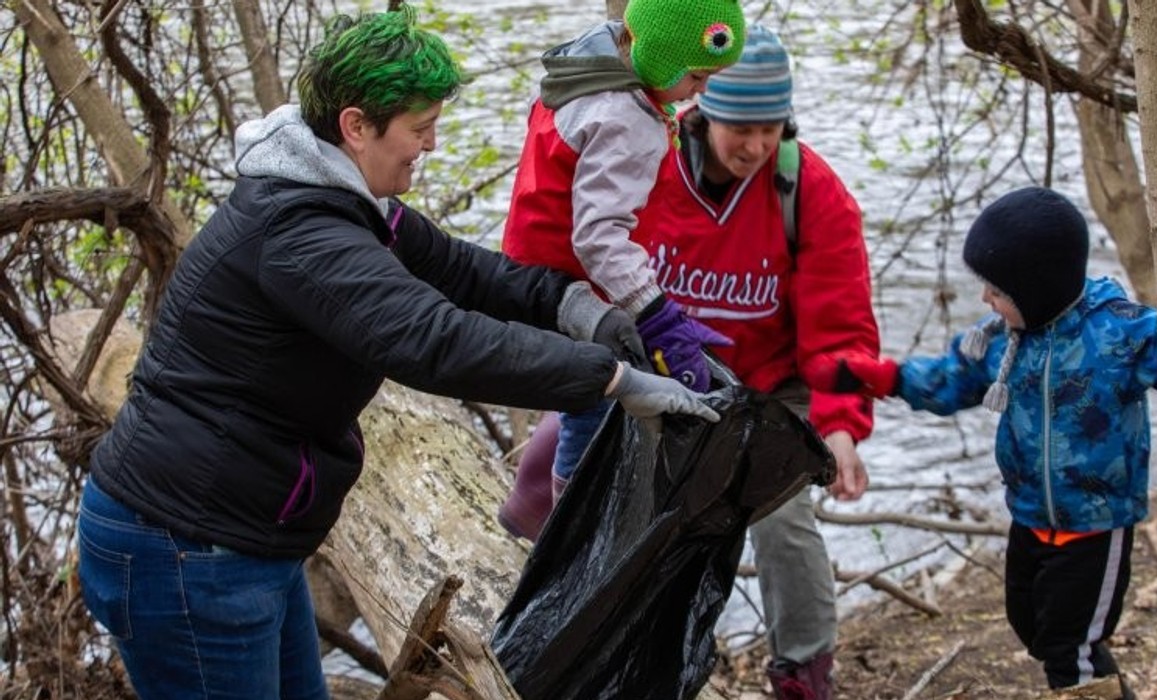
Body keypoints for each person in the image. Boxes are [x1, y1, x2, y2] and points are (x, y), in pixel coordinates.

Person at [73, 6, 717, 699]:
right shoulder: (303, 234)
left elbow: (466, 271)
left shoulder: (346, 199)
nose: (431, 145)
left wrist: (575, 306)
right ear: (356, 126)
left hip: (242, 539)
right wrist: (613, 379)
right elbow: (433, 341)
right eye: (419, 129)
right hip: (187, 549)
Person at [501, 27, 878, 700]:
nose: (756, 148)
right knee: (541, 479)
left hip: (768, 394)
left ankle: (802, 669)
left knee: (779, 519)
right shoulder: (645, 159)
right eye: (741, 129)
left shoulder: (808, 191)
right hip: (667, 374)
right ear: (703, 111)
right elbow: (590, 250)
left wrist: (842, 424)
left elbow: (840, 325)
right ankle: (564, 614)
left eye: (771, 130)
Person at [806, 186, 1157, 698]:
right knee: (1032, 626)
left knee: (1071, 649)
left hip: (1096, 523)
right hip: (1029, 515)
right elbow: (951, 381)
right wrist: (880, 378)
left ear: (1036, 287)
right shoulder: (1002, 336)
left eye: (997, 290)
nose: (985, 299)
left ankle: (1090, 688)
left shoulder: (1121, 333)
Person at [500, 0, 746, 498]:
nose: (702, 90)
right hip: (571, 288)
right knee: (594, 402)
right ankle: (573, 514)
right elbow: (599, 237)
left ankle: (536, 499)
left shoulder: (589, 64)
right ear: (658, 53)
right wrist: (656, 314)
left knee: (579, 397)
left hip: (527, 270)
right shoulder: (627, 120)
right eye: (697, 76)